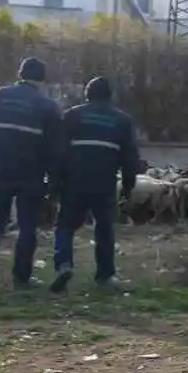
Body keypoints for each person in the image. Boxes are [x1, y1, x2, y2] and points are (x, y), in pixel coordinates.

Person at [0, 57, 62, 291]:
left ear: (20, 73)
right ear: (42, 79)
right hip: (31, 175)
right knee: (27, 226)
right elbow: (54, 148)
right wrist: (53, 180)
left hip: (1, 169)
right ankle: (21, 277)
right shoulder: (48, 106)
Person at [49, 76, 140, 292]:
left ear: (87, 94)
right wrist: (128, 186)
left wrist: (54, 184)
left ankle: (63, 264)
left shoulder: (71, 116)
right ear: (110, 97)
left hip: (73, 182)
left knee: (64, 226)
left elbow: (57, 153)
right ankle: (105, 276)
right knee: (104, 228)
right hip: (104, 183)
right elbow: (130, 158)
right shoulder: (122, 121)